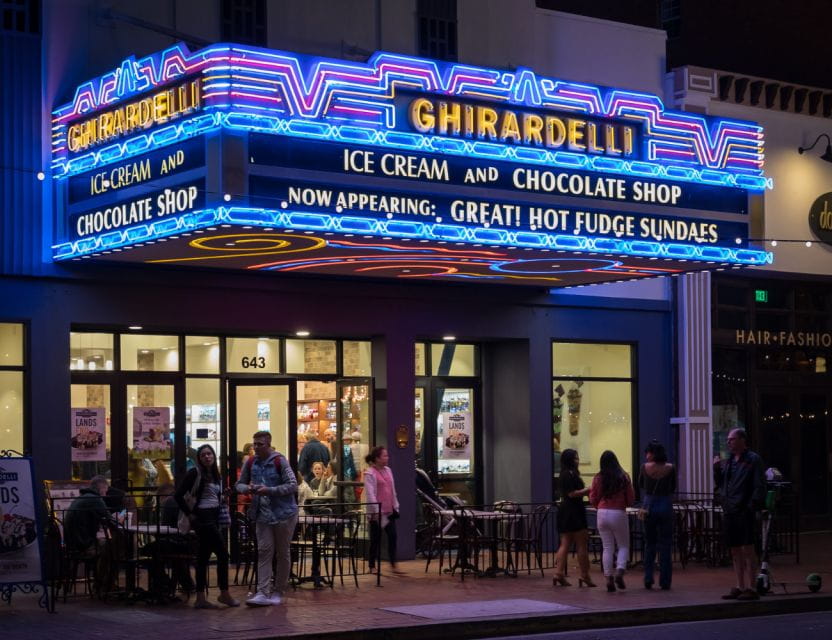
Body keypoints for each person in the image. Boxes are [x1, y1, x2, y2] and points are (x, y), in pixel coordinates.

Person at [236, 430, 298, 607]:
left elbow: (292, 485)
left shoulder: (280, 460)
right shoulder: (251, 462)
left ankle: (279, 590)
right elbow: (239, 483)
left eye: (260, 444)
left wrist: (269, 490)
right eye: (254, 444)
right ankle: (263, 591)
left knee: (282, 552)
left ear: (268, 444)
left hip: (284, 514)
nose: (255, 448)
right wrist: (246, 489)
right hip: (262, 514)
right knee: (264, 551)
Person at [175, 444, 239, 609]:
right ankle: (224, 593)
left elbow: (213, 497)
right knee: (223, 554)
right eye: (203, 455)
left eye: (209, 454)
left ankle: (200, 598)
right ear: (199, 458)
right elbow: (178, 495)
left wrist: (224, 496)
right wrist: (190, 514)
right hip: (203, 519)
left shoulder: (216, 474)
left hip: (213, 516)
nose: (207, 457)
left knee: (202, 558)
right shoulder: (194, 473)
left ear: (214, 456)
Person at [713, 428, 766, 601]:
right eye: (728, 440)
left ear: (742, 440)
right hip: (730, 509)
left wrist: (751, 505)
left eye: (732, 439)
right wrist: (716, 470)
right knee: (735, 549)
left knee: (748, 548)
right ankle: (740, 585)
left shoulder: (753, 460)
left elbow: (759, 485)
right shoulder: (729, 462)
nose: (728, 442)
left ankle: (751, 587)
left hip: (744, 510)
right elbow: (723, 484)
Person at [590, 450, 635, 592]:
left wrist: (599, 506)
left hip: (602, 513)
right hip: (618, 513)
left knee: (607, 547)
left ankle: (608, 577)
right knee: (623, 545)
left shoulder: (598, 478)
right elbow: (631, 499)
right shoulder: (624, 477)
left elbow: (593, 497)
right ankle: (620, 571)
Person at [553, 449, 595, 587]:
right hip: (575, 511)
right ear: (570, 460)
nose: (577, 460)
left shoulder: (562, 474)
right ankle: (585, 575)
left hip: (564, 511)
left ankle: (558, 573)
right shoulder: (570, 475)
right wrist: (587, 490)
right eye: (575, 458)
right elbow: (572, 494)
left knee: (564, 543)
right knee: (582, 544)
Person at [639, 440, 676, 590]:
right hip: (666, 505)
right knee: (666, 544)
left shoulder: (644, 467)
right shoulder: (670, 467)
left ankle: (648, 577)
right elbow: (673, 487)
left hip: (649, 505)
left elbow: (641, 484)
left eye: (648, 452)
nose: (646, 455)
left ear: (652, 453)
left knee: (650, 543)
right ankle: (665, 581)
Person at [363, 446, 402, 573]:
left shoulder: (388, 470)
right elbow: (370, 494)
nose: (387, 458)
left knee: (393, 536)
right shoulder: (369, 473)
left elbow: (393, 489)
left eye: (387, 455)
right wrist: (376, 510)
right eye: (384, 456)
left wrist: (396, 505)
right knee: (375, 539)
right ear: (377, 458)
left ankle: (393, 564)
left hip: (389, 510)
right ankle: (372, 565)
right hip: (377, 512)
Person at [64, 475, 117, 557]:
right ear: (101, 488)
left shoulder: (82, 497)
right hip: (83, 544)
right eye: (105, 491)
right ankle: (106, 569)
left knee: (105, 542)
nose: (106, 495)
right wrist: (119, 520)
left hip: (72, 543)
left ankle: (96, 569)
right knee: (112, 544)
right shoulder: (95, 499)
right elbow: (111, 522)